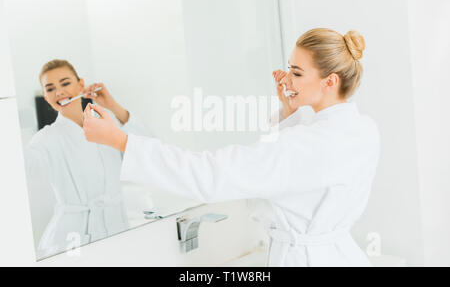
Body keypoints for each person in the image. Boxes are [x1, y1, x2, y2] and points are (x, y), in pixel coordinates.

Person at [82, 28, 380, 266]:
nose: (288, 79)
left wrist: (119, 141)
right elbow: (300, 181)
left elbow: (210, 174)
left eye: (298, 73)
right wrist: (289, 112)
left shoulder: (307, 144)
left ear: (330, 81)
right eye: (289, 69)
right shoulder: (362, 129)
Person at [26, 59, 140, 259]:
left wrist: (111, 105)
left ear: (80, 84)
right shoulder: (46, 138)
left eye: (65, 83)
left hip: (116, 224)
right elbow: (24, 168)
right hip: (72, 237)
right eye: (50, 88)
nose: (59, 91)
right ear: (45, 96)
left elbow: (147, 150)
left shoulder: (106, 123)